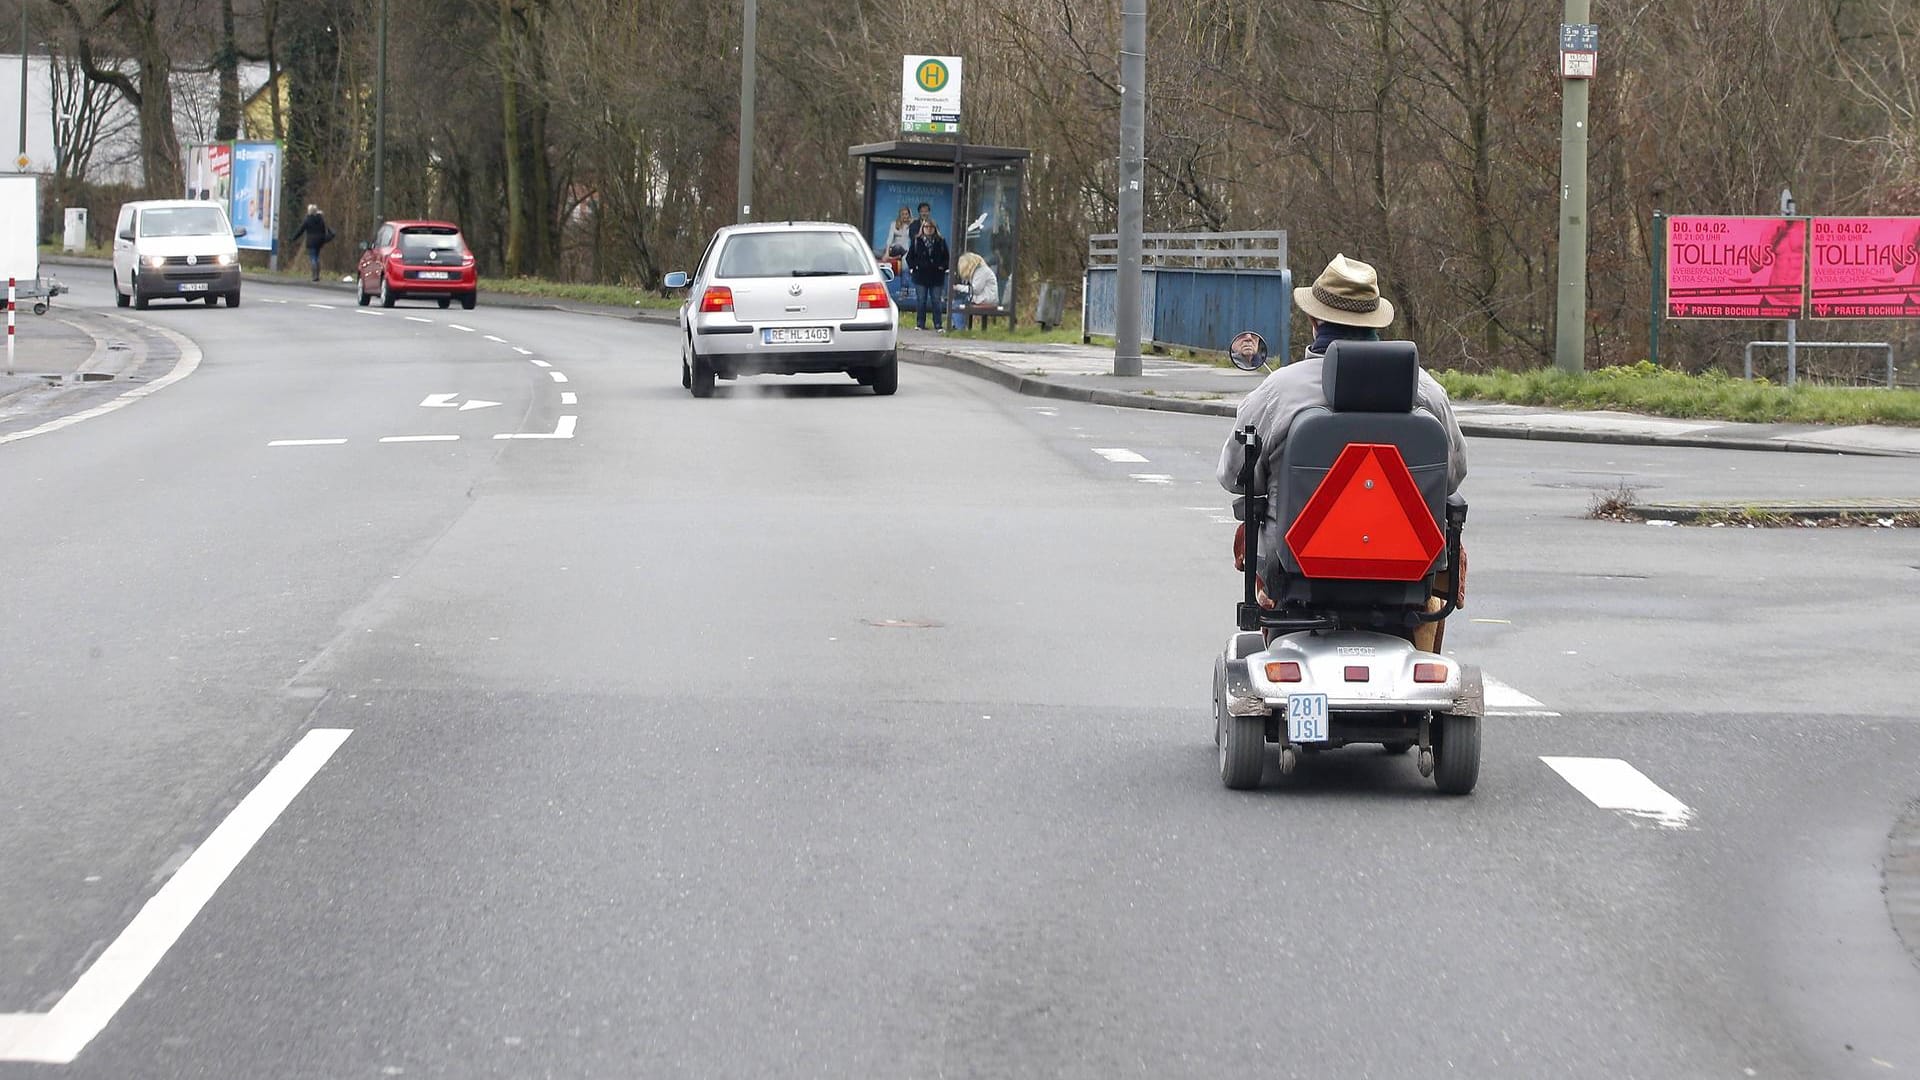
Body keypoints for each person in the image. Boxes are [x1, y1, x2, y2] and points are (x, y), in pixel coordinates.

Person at [1215, 253, 1468, 650]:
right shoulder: (1427, 393)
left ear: (1315, 321)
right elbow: (1452, 476)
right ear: (1375, 321)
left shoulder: (1277, 392)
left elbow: (1234, 477)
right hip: (1405, 581)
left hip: (1297, 578)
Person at [905, 218, 950, 331]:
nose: (929, 229)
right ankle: (920, 323)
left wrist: (942, 267)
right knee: (921, 300)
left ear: (935, 229)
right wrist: (914, 267)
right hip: (921, 276)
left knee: (936, 300)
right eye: (926, 227)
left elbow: (947, 258)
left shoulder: (941, 241)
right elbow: (909, 257)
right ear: (922, 228)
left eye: (931, 227)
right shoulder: (917, 241)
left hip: (936, 276)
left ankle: (938, 324)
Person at [287, 204, 334, 281]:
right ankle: (317, 275)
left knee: (313, 258)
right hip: (319, 241)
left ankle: (314, 275)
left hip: (311, 241)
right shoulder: (321, 219)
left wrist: (293, 238)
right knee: (317, 257)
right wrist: (323, 239)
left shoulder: (307, 220)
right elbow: (323, 230)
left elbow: (300, 230)